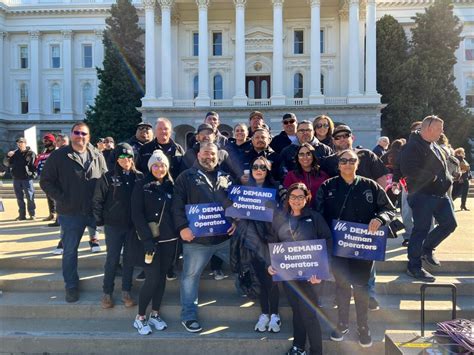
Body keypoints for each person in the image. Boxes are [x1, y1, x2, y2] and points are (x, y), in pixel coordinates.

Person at [315, 149, 395, 348]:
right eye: (344, 160)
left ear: (357, 164)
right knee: (342, 286)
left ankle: (363, 326)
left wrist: (380, 218)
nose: (348, 164)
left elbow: (389, 209)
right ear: (338, 164)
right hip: (338, 247)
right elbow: (318, 215)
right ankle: (342, 324)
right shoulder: (328, 186)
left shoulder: (371, 186)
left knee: (361, 287)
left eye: (352, 160)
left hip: (363, 246)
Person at [322, 124, 388, 311]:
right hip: (341, 222)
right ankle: (341, 295)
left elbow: (382, 178)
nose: (342, 139)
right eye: (338, 137)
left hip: (366, 219)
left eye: (346, 135)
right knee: (341, 263)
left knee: (367, 258)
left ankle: (368, 295)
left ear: (353, 137)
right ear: (333, 141)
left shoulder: (367, 155)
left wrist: (376, 205)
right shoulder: (328, 161)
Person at [172, 143, 236, 333]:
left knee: (243, 264)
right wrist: (182, 227)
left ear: (218, 156)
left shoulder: (226, 177)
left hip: (224, 238)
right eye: (206, 152)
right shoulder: (186, 176)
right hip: (197, 241)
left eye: (213, 153)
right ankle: (188, 315)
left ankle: (251, 294)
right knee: (190, 278)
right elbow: (176, 204)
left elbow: (233, 203)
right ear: (198, 154)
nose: (209, 156)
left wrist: (235, 221)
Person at [40, 122, 107, 303]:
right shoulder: (59, 155)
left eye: (84, 133)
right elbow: (45, 181)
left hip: (94, 211)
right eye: (76, 133)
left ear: (89, 136)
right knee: (70, 251)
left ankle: (112, 277)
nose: (80, 136)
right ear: (71, 135)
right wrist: (61, 198)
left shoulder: (96, 155)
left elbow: (106, 181)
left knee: (114, 244)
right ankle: (71, 285)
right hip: (70, 212)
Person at [269, 183, 332, 355]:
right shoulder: (281, 218)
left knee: (309, 314)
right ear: (288, 199)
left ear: (306, 198)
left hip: (311, 276)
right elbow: (274, 244)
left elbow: (327, 242)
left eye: (300, 197)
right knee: (296, 311)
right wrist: (272, 265)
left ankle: (316, 351)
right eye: (293, 197)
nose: (296, 200)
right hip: (289, 275)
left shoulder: (315, 217)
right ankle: (298, 347)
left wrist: (321, 272)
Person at [230, 157, 284, 333]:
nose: (259, 169)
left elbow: (286, 211)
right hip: (252, 241)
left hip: (272, 239)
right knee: (260, 278)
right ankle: (264, 313)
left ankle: (275, 314)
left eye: (263, 167)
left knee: (273, 279)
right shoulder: (243, 190)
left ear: (268, 170)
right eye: (255, 167)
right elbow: (234, 212)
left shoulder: (277, 188)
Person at [400, 115, 457, 282]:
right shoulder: (411, 146)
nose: (442, 132)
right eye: (439, 129)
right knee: (421, 229)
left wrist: (446, 178)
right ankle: (414, 266)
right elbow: (409, 170)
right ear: (428, 129)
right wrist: (432, 178)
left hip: (439, 194)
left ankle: (427, 248)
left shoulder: (435, 145)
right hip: (422, 195)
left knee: (449, 224)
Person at [131, 150, 178, 335]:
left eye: (163, 165)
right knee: (152, 279)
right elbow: (136, 214)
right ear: (151, 167)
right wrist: (146, 239)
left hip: (170, 240)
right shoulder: (142, 186)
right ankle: (140, 317)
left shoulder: (171, 186)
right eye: (156, 165)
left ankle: (155, 314)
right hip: (150, 241)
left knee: (161, 280)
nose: (160, 168)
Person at [92, 143, 142, 309]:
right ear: (116, 159)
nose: (126, 160)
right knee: (112, 259)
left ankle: (126, 291)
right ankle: (107, 292)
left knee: (129, 259)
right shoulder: (107, 177)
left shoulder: (139, 177)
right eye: (122, 157)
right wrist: (99, 222)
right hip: (113, 225)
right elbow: (97, 200)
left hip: (132, 226)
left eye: (129, 157)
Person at [283, 143, 329, 207]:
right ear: (297, 157)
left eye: (308, 154)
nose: (305, 157)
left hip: (319, 213)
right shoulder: (291, 175)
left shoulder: (323, 175)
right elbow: (287, 198)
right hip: (298, 213)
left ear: (313, 156)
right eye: (301, 154)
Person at [5, 137, 37, 220]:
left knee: (30, 197)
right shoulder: (14, 153)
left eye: (21, 142)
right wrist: (8, 156)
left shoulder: (31, 153)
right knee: (19, 198)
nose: (19, 144)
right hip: (16, 178)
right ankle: (22, 215)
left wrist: (33, 174)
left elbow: (34, 165)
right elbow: (6, 164)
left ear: (25, 143)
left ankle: (32, 214)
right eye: (18, 142)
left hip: (27, 179)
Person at [34, 133, 57, 221]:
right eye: (44, 141)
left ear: (52, 141)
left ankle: (59, 215)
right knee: (49, 196)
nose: (45, 142)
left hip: (55, 177)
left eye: (47, 141)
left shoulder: (56, 150)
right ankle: (52, 214)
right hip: (46, 177)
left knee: (56, 196)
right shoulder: (45, 151)